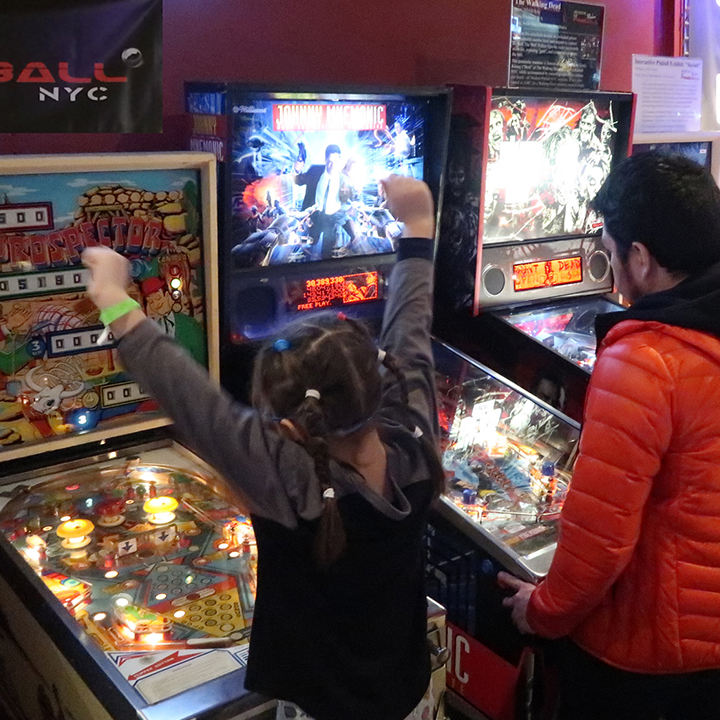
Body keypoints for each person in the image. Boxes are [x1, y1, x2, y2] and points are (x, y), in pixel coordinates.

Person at [82, 175, 444, 720]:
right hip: (406, 690)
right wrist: (418, 225)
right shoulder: (415, 436)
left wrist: (110, 295)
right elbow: (411, 328)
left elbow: (188, 393)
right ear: (380, 378)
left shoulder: (285, 474)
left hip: (319, 706)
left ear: (292, 428)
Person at [498, 152, 720, 719]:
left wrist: (541, 612)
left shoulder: (647, 360)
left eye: (609, 248)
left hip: (646, 658)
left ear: (640, 258)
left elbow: (600, 543)